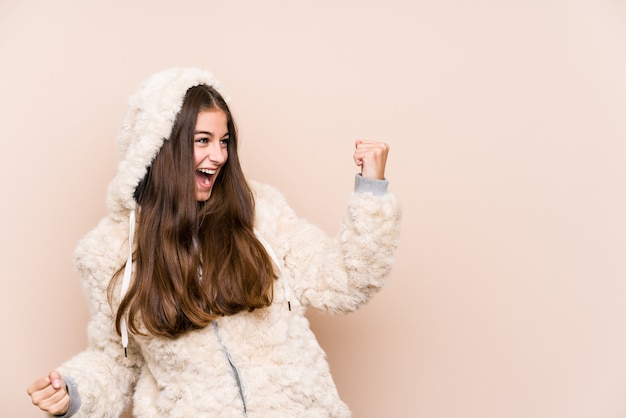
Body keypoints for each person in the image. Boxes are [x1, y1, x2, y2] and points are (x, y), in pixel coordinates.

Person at [27, 67, 401, 417]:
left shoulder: (259, 213)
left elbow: (345, 283)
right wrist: (72, 391)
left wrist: (370, 190)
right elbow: (116, 360)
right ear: (160, 149)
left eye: (224, 141)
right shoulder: (109, 251)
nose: (219, 156)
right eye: (202, 141)